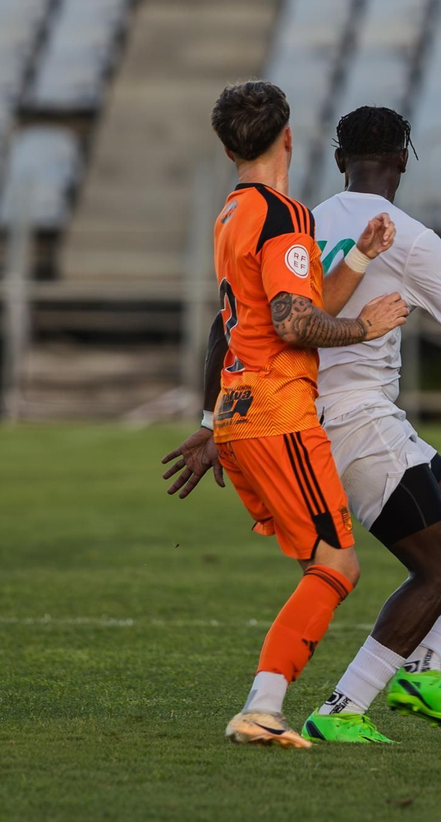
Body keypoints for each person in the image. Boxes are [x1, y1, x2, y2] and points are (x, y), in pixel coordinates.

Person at [163, 80, 406, 749]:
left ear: (225, 146)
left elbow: (259, 315)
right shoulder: (286, 214)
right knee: (338, 565)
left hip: (239, 414)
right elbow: (296, 321)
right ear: (289, 137)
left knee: (320, 567)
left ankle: (267, 705)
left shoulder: (232, 213)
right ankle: (262, 706)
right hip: (280, 413)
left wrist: (359, 255)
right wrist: (365, 325)